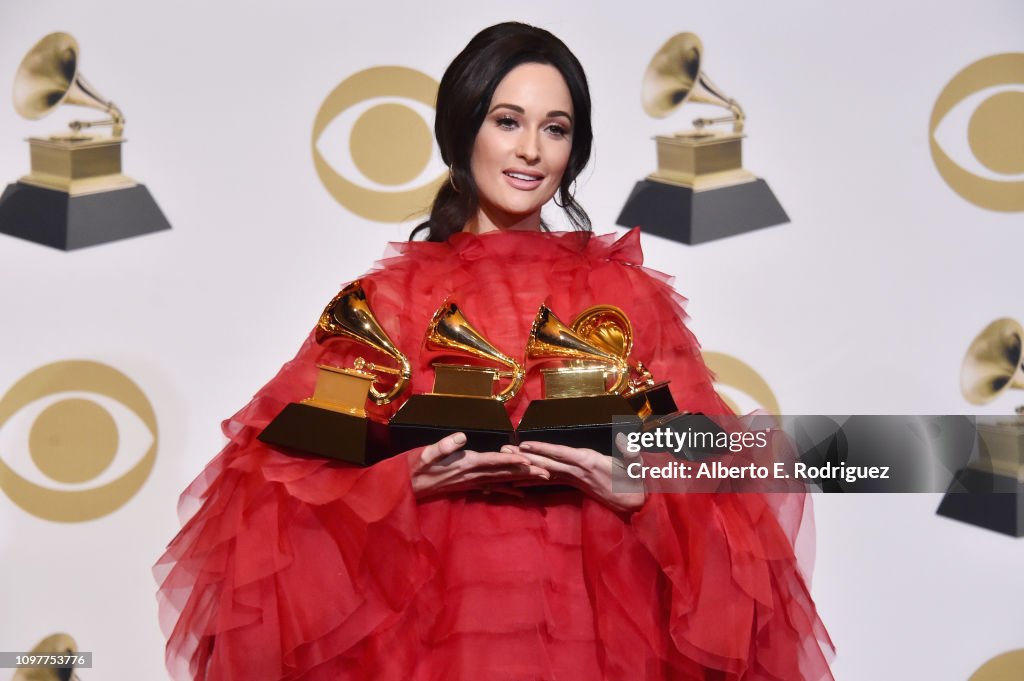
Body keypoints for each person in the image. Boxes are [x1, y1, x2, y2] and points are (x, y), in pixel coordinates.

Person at [156, 22, 834, 681]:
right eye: (508, 121)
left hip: (592, 637)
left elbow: (713, 479)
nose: (531, 150)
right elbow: (274, 487)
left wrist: (639, 493)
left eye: (555, 128)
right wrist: (398, 484)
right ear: (464, 129)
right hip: (425, 638)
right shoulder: (387, 307)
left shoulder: (626, 301)